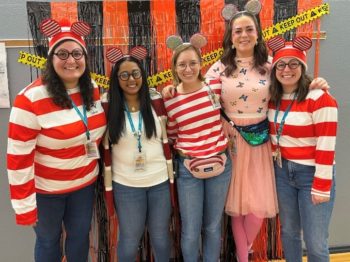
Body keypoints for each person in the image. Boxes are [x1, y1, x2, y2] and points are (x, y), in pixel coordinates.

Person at [204, 9, 329, 262]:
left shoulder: (270, 65)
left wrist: (314, 84)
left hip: (261, 140)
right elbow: (204, 98)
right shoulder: (219, 68)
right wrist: (175, 91)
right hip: (230, 142)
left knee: (257, 208)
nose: (244, 35)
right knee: (236, 208)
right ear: (230, 36)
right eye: (238, 30)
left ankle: (246, 247)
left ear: (258, 34)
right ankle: (243, 257)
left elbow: (293, 85)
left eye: (249, 29)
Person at [6, 18, 106, 262]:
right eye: (62, 53)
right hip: (46, 191)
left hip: (83, 185)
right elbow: (18, 159)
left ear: (85, 57)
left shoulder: (91, 88)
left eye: (76, 53)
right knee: (49, 243)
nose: (71, 60)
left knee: (80, 238)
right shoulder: (29, 99)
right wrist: (25, 206)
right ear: (51, 60)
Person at [267, 36, 337, 262]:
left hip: (312, 175)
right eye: (281, 64)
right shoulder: (272, 98)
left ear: (302, 67)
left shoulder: (319, 97)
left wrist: (322, 186)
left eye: (294, 63)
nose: (287, 69)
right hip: (282, 172)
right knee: (288, 234)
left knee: (316, 243)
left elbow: (326, 145)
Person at [163, 36, 232, 262]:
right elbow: (172, 134)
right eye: (182, 64)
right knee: (191, 230)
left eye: (193, 63)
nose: (188, 68)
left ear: (201, 63)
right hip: (188, 169)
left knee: (213, 226)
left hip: (221, 165)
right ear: (174, 68)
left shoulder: (215, 87)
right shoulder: (170, 99)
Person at [104, 48, 172, 262]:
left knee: (161, 237)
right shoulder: (106, 106)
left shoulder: (156, 101)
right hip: (126, 185)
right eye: (123, 75)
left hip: (159, 182)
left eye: (135, 73)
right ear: (116, 79)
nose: (131, 79)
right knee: (130, 239)